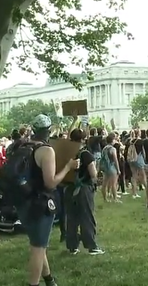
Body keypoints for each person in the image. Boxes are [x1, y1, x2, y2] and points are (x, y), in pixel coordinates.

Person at [17, 114, 80, 286]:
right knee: (38, 248)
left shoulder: (22, 146)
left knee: (38, 242)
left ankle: (49, 279)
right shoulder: (46, 150)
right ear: (48, 130)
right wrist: (68, 167)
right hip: (39, 203)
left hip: (22, 201)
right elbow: (50, 183)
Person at [63, 129, 104, 255]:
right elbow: (93, 174)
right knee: (86, 217)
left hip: (68, 188)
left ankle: (72, 246)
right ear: (83, 139)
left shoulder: (66, 154)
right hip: (84, 189)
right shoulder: (86, 154)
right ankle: (91, 245)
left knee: (71, 218)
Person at [100, 134, 121, 203]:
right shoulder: (112, 149)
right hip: (112, 167)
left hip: (105, 167)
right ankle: (115, 199)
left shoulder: (104, 148)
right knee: (114, 184)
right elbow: (115, 160)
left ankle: (105, 198)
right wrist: (118, 169)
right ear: (112, 140)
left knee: (104, 184)